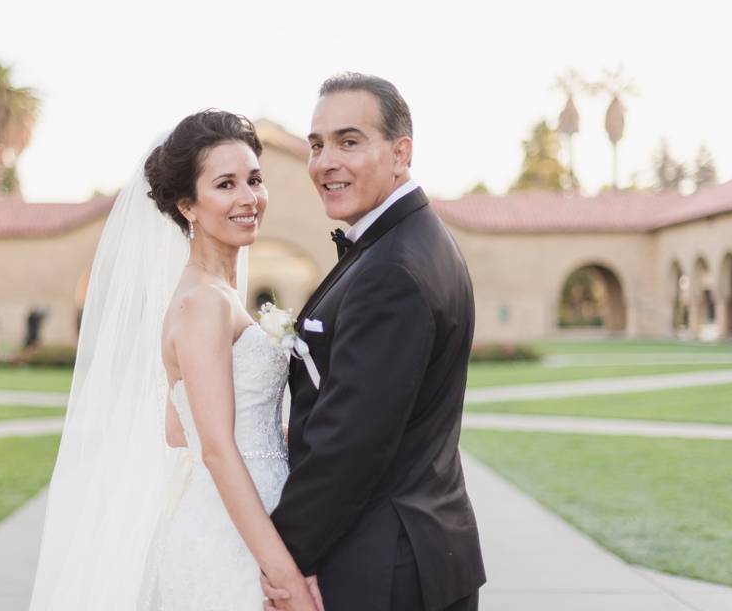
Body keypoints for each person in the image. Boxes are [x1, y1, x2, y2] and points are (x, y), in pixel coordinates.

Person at [29, 111, 321, 610]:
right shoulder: (203, 303)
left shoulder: (217, 295)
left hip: (244, 512)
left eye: (254, 179)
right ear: (188, 205)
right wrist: (285, 576)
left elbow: (175, 428)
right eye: (225, 185)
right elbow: (215, 450)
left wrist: (278, 440)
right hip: (233, 542)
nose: (249, 198)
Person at [263, 73, 486, 611]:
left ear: (400, 153)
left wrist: (281, 562)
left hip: (384, 570)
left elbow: (351, 444)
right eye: (316, 145)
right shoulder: (402, 244)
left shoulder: (394, 270)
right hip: (417, 550)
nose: (324, 162)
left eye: (349, 141)